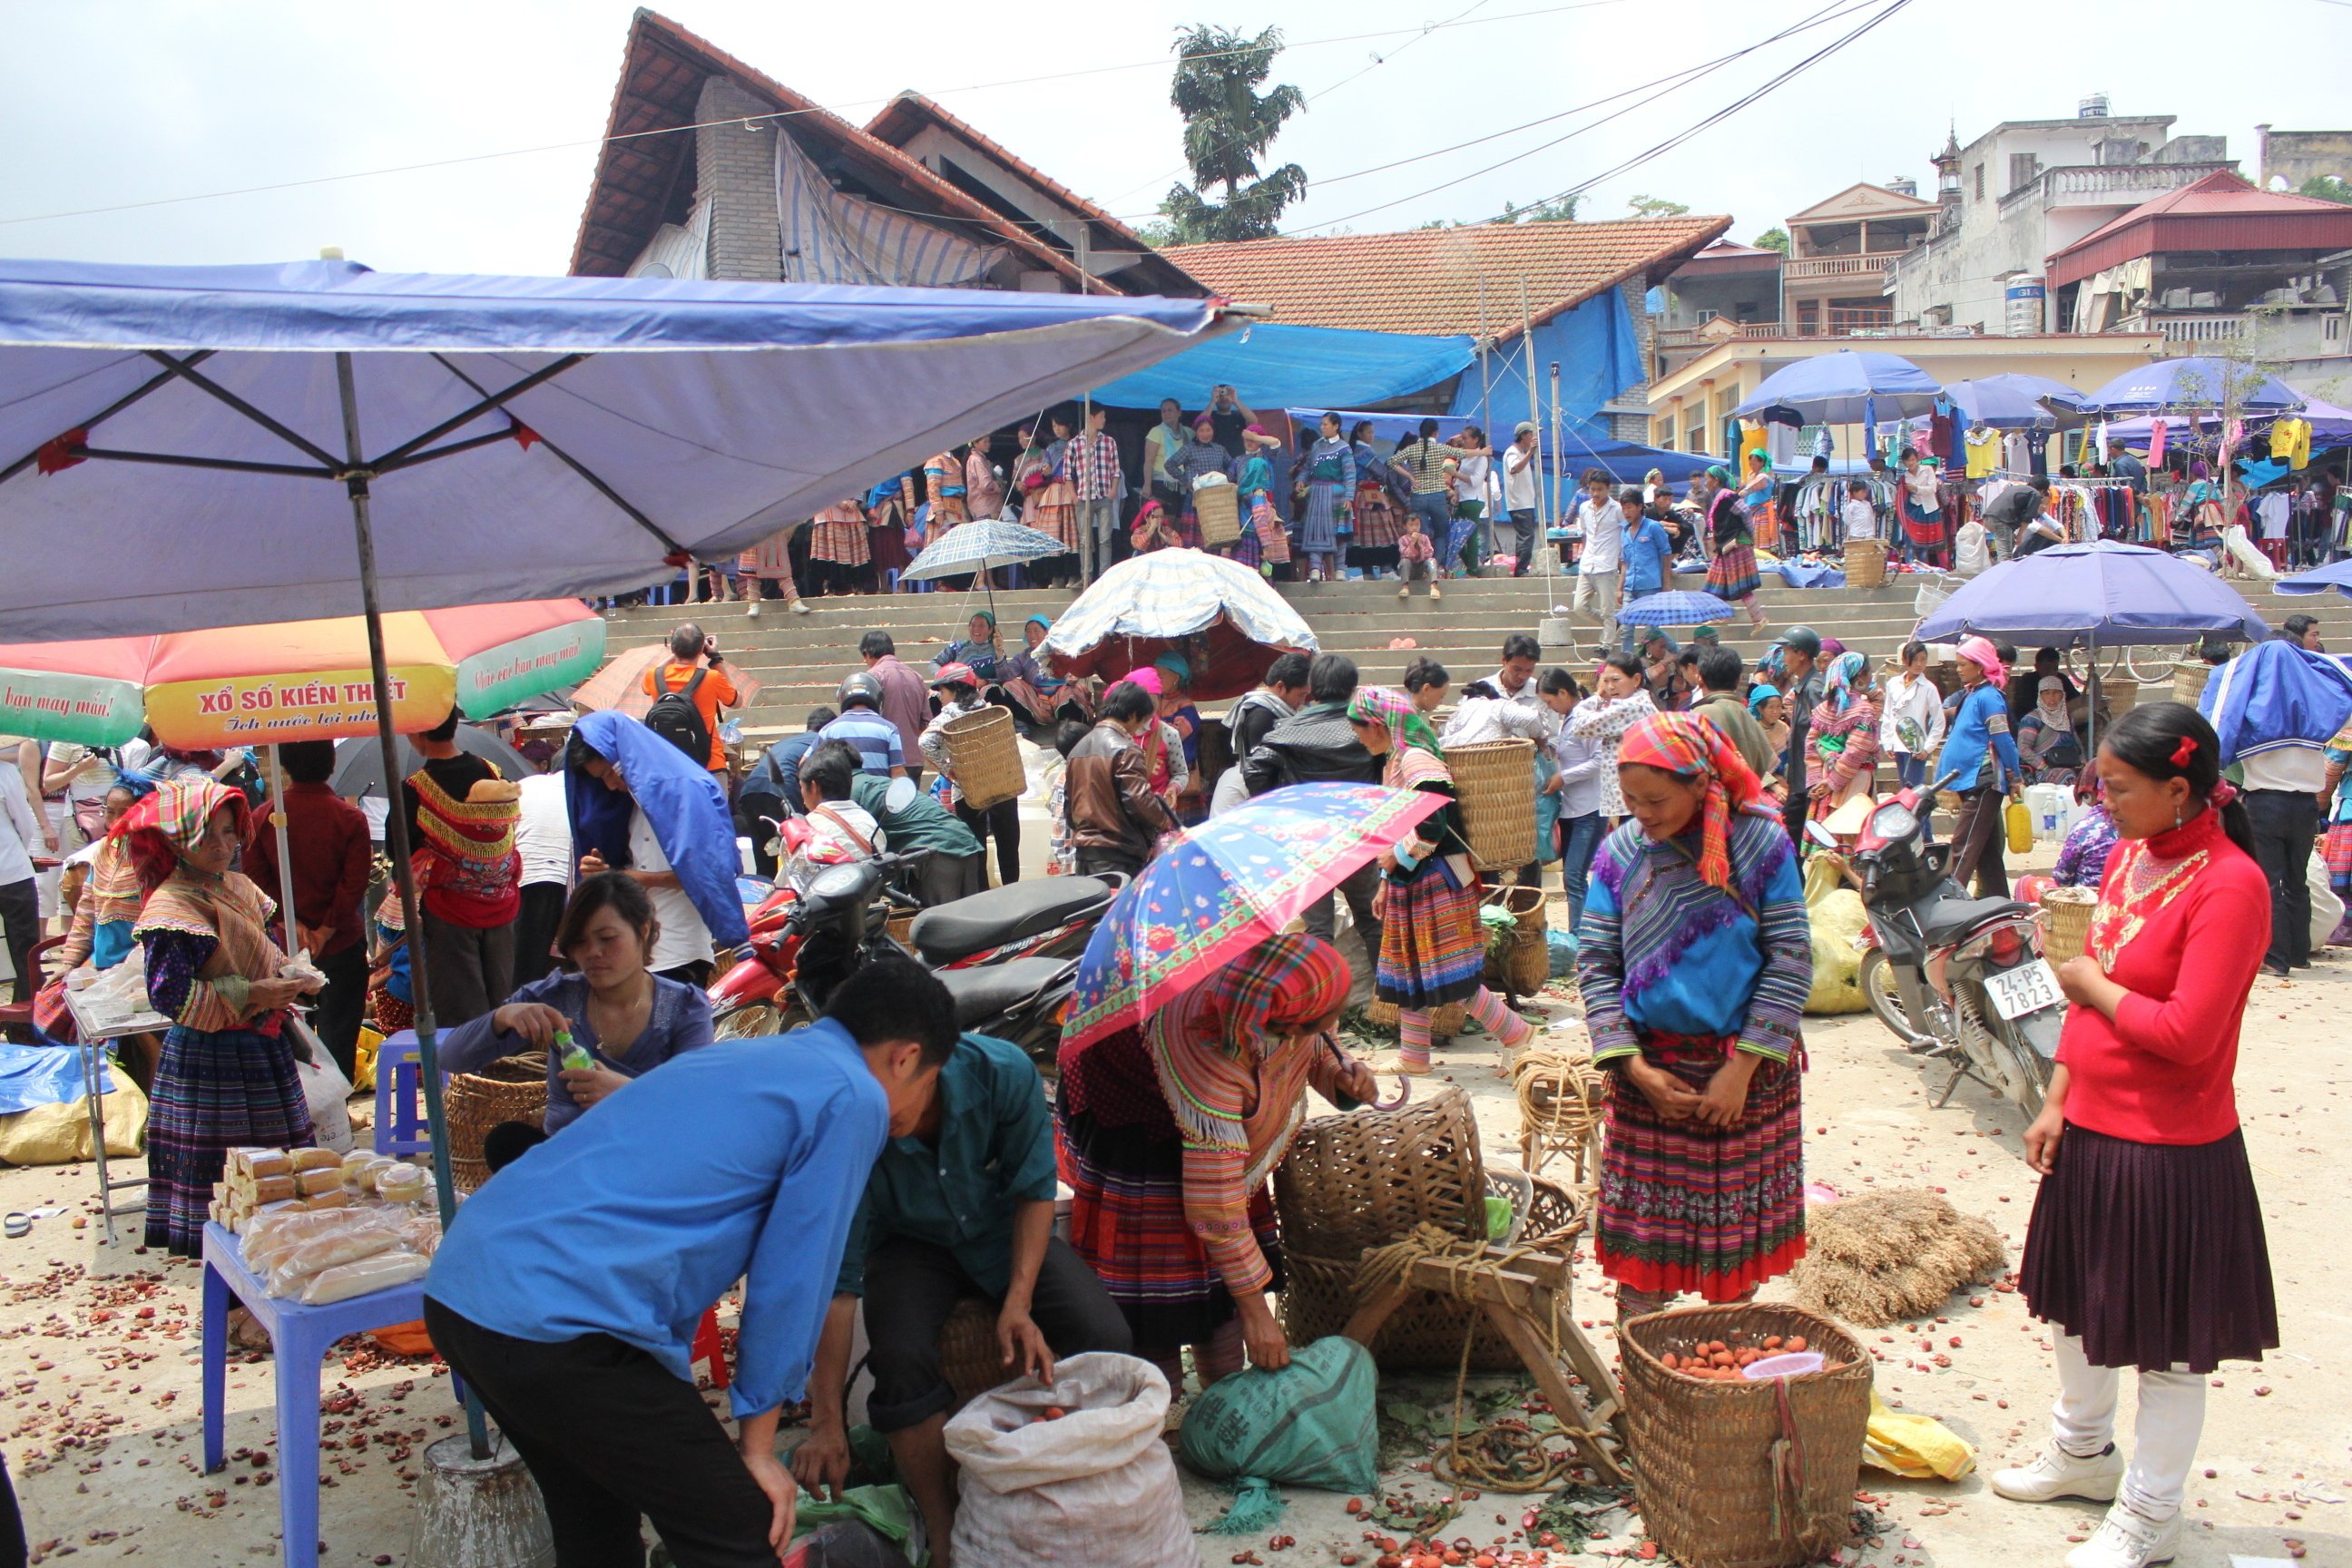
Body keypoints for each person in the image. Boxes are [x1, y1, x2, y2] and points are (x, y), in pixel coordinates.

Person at [424, 957, 956, 1568]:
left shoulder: (743, 1057)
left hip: (465, 1288)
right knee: (743, 1529)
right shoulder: (852, 1095)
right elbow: (794, 1277)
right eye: (930, 1081)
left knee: (595, 1521)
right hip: (557, 1323)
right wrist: (758, 1444)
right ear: (908, 1057)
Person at [1998, 704, 2277, 1568]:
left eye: (2117, 788)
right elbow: (2088, 1004)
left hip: (2171, 1147)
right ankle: (2081, 1454)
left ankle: (2152, 1513)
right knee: (2076, 1310)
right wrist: (2056, 1096)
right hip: (2092, 1126)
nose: (2102, 803)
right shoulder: (2125, 857)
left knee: (2165, 1347)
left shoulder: (2231, 884)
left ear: (2180, 789)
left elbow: (2189, 1031)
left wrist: (2089, 982)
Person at [798, 1024, 1132, 1563]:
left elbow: (1034, 1190)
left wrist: (1018, 1302)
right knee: (900, 1363)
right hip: (908, 1242)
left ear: (915, 1062)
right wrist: (826, 1420)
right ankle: (941, 1517)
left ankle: (1081, 1487)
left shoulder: (1003, 1073)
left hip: (1004, 1232)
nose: (876, 1116)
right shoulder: (851, 1123)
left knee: (1107, 1338)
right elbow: (839, 1285)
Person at [1055, 934, 1376, 1387]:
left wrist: (1343, 1082)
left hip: (1202, 1108)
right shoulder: (1212, 1054)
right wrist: (1258, 1315)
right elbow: (1214, 1206)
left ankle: (1221, 1393)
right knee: (1161, 1295)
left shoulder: (1270, 987)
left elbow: (1312, 1046)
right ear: (1279, 1025)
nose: (1332, 1026)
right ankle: (1157, 1404)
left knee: (1216, 1283)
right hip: (1133, 1119)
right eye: (1324, 1020)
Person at [1579, 712, 1811, 1327]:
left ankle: (1721, 1386)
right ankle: (1647, 1381)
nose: (1642, 813)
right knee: (1641, 1260)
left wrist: (1741, 1070)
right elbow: (1597, 964)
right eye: (1629, 799)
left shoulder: (1762, 845)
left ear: (1701, 782)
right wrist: (1632, 1067)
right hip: (1650, 1077)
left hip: (1748, 1075)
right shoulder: (1619, 853)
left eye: (1655, 799)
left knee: (1732, 1256)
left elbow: (1790, 957)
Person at [131, 779, 323, 1256]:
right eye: (207, 835)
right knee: (223, 1168)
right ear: (176, 840)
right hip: (209, 1055)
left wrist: (297, 976)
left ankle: (277, 1245)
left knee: (274, 1166)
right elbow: (169, 995)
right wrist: (254, 993)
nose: (222, 845)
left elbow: (265, 954)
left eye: (228, 832)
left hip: (263, 1045)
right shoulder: (171, 906)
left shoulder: (239, 886)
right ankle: (226, 1267)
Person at [441, 871, 716, 1171]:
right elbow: (451, 1057)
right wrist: (502, 1017)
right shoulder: (557, 996)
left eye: (608, 939)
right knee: (507, 1142)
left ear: (643, 930)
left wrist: (630, 1094)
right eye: (580, 942)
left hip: (650, 1161)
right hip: (569, 1163)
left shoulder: (683, 1007)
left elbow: (697, 1104)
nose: (593, 953)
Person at [1348, 688, 1537, 1073]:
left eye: (1360, 730)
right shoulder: (1395, 761)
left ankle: (1519, 1036)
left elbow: (1432, 827)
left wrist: (1394, 859)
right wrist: (1387, 878)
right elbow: (1399, 829)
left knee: (1451, 975)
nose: (1359, 738)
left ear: (1380, 725)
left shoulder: (1417, 760)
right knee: (1408, 970)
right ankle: (1415, 1057)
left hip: (1439, 880)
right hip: (1411, 880)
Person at [566, 712, 750, 989]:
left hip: (680, 947)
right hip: (638, 946)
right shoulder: (628, 804)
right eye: (600, 779)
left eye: (608, 773)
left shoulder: (686, 792)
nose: (610, 786)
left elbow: (711, 873)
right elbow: (633, 866)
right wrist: (605, 871)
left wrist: (644, 880)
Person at [1242, 654, 1385, 969]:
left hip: (1306, 843)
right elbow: (1385, 772)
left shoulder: (1286, 731)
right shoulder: (1367, 731)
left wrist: (1279, 809)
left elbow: (1254, 772)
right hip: (1357, 838)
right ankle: (1386, 1005)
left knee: (1319, 930)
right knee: (1373, 922)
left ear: (1312, 689)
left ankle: (1324, 1011)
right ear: (1352, 689)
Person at [244, 740, 371, 1080]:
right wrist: (325, 930)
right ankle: (337, 1123)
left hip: (283, 948)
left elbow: (255, 879)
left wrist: (289, 920)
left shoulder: (262, 818)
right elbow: (353, 884)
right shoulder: (350, 818)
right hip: (341, 944)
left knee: (290, 1037)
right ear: (332, 763)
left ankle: (298, 1118)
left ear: (284, 765)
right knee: (340, 1035)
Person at [401, 708, 519, 1027]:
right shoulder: (492, 771)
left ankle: (469, 1077)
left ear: (419, 732)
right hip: (502, 908)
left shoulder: (416, 789)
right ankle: (507, 1073)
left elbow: (403, 853)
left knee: (461, 1015)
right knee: (504, 1006)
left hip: (450, 917)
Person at [1930, 636, 2024, 899]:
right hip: (1968, 779)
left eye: (1963, 665)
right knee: (1987, 852)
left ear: (1980, 666)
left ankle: (1945, 902)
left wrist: (2015, 776)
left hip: (1982, 780)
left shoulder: (1990, 698)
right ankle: (2000, 904)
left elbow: (2003, 739)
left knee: (1963, 845)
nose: (1958, 669)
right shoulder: (1972, 694)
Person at [1063, 681, 1179, 880]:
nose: (1139, 729)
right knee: (1120, 911)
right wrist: (1163, 819)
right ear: (1133, 715)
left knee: (1095, 911)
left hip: (1085, 856)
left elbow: (1069, 808)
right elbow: (1139, 802)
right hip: (1119, 856)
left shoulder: (1077, 750)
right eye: (1142, 721)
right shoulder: (1126, 750)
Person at [921, 664, 1020, 887]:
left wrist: (949, 770)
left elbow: (925, 742)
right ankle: (1012, 890)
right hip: (1002, 784)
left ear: (955, 689)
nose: (941, 698)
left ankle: (983, 897)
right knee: (1008, 845)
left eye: (943, 692)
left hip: (967, 789)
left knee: (977, 848)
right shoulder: (988, 708)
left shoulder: (948, 716)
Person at [846, 752, 985, 907]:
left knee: (940, 923)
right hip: (964, 839)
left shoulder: (849, 794)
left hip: (937, 851)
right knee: (969, 918)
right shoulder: (878, 783)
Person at [1545, 671, 1610, 932]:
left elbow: (1599, 760)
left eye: (1550, 702)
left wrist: (1564, 777)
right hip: (1571, 808)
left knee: (1574, 877)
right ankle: (1580, 934)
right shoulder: (1570, 718)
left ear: (1563, 693)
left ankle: (1580, 937)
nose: (1550, 708)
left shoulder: (1583, 719)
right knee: (1573, 878)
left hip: (1589, 809)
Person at [739, 708, 832, 878]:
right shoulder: (822, 742)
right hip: (782, 791)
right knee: (795, 849)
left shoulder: (789, 741)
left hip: (750, 789)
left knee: (763, 853)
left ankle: (766, 893)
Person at [784, 740, 882, 897]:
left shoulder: (807, 828)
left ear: (814, 787)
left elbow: (787, 886)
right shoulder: (870, 821)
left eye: (801, 787)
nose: (802, 797)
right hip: (868, 910)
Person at [641, 622, 741, 776]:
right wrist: (716, 658)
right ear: (701, 650)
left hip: (668, 765)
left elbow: (652, 677)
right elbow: (736, 701)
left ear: (673, 649)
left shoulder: (653, 676)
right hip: (709, 764)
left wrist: (677, 649)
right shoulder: (712, 678)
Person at [1568, 653, 1659, 823]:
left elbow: (1579, 726)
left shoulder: (1631, 706)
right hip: (1636, 794)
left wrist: (1597, 696)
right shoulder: (1637, 700)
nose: (1609, 687)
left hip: (1636, 796)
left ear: (1636, 679)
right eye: (1605, 681)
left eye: (1616, 680)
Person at [1214, 654, 1308, 817]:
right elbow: (1259, 774)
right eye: (1301, 695)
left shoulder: (1273, 710)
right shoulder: (1262, 716)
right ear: (1280, 687)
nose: (1302, 702)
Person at [1764, 628, 1825, 846]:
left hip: (1811, 784)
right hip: (1800, 782)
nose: (1783, 657)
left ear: (1802, 655)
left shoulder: (1814, 688)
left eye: (1787, 651)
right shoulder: (1803, 687)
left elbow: (1825, 733)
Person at [1879, 642, 1947, 838]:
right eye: (1915, 660)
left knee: (1916, 794)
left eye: (1923, 660)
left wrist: (1927, 747)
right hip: (1898, 745)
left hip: (1917, 748)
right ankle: (1916, 836)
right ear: (1905, 661)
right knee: (1906, 791)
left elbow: (1939, 720)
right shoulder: (1893, 684)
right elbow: (1888, 715)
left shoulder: (1928, 688)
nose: (1919, 664)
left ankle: (1925, 838)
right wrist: (1888, 742)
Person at [1808, 652, 1882, 818]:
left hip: (1825, 777)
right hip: (1853, 780)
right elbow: (1855, 752)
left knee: (1825, 827)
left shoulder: (1823, 709)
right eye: (1869, 671)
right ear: (1860, 678)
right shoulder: (1863, 710)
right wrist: (1833, 783)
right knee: (1849, 830)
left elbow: (1811, 744)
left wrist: (1817, 780)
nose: (1872, 675)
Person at [1691, 648, 1778, 782]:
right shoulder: (1749, 716)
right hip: (1746, 799)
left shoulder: (1701, 715)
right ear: (1738, 681)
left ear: (1700, 679)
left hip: (1715, 801)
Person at [859, 632, 933, 786]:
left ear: (868, 653)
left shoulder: (873, 677)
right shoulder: (916, 676)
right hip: (913, 760)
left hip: (883, 761)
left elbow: (865, 719)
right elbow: (926, 723)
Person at [1700, 466, 1768, 631]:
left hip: (1736, 544)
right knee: (1716, 582)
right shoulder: (1716, 497)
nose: (1705, 481)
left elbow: (1745, 513)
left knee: (1740, 585)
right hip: (1725, 545)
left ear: (1716, 480)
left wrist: (1751, 536)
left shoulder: (1727, 496)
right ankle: (1721, 615)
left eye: (1707, 477)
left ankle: (1759, 619)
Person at [1296, 412, 1354, 583]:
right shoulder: (1316, 446)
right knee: (1316, 530)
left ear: (1336, 426)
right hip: (1317, 495)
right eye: (1321, 424)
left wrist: (1349, 497)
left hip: (1337, 494)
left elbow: (1350, 474)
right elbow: (1307, 468)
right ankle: (1315, 569)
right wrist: (1301, 480)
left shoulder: (1344, 448)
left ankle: (1340, 570)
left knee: (1339, 532)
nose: (1322, 427)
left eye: (1325, 424)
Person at [819, 672, 910, 780]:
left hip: (840, 794)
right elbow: (897, 773)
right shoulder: (889, 729)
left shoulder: (828, 729)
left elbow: (806, 764)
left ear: (841, 696)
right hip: (877, 794)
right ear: (879, 698)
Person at [1572, 470, 1624, 653]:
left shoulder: (1617, 509)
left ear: (1608, 489)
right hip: (1587, 564)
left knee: (1607, 610)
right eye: (1593, 489)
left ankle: (1606, 645)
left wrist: (1621, 561)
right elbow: (1585, 534)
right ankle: (1613, 624)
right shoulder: (1584, 507)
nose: (1595, 494)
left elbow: (1625, 533)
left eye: (1600, 489)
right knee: (1579, 606)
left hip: (1607, 566)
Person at [1617, 490, 1675, 652]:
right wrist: (1620, 588)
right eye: (1624, 508)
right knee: (1626, 629)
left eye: (1630, 508)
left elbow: (1666, 554)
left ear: (1639, 507)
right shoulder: (1625, 532)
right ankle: (1627, 663)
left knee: (1652, 631)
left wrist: (1666, 584)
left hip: (1650, 586)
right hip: (1630, 587)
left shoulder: (1653, 527)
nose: (1626, 512)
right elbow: (1624, 562)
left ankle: (1676, 652)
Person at [1394, 419, 1456, 565]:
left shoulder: (1412, 449)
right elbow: (1462, 453)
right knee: (1441, 533)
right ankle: (1435, 564)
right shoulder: (1440, 448)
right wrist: (1482, 451)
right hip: (1437, 496)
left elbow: (1391, 462)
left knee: (1422, 532)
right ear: (1435, 432)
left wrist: (1410, 477)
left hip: (1418, 496)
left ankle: (1421, 564)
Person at [1347, 421, 1403, 579]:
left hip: (1360, 498)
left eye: (1373, 432)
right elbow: (1382, 473)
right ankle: (1386, 570)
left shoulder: (1353, 451)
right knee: (1383, 534)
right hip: (1370, 498)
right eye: (1369, 432)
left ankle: (1368, 572)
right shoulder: (1364, 453)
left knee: (1364, 537)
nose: (1372, 436)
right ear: (1360, 433)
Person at [2053, 775, 2119, 889]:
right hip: (2123, 898)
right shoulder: (2143, 829)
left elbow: (2062, 879)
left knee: (2027, 882)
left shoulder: (2083, 829)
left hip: (2085, 901)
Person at [2018, 677, 2087, 785]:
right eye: (2047, 693)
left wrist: (2083, 763)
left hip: (2070, 766)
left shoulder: (2067, 718)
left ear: (2063, 695)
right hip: (2040, 771)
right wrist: (2043, 766)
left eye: (2056, 693)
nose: (2051, 697)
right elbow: (2023, 749)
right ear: (2040, 696)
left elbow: (2078, 745)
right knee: (2067, 775)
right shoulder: (2032, 719)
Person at [1502, 422, 1542, 574]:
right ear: (1524, 435)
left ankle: (1521, 567)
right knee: (1527, 537)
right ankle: (1521, 569)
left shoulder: (1521, 453)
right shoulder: (1512, 452)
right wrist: (1530, 452)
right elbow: (1515, 468)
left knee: (1525, 536)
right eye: (1532, 434)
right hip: (1519, 503)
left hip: (1525, 502)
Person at [1142, 398, 1189, 520]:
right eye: (1163, 411)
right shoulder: (1156, 432)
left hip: (1182, 484)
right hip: (1161, 484)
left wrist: (1212, 402)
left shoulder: (1187, 433)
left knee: (1181, 521)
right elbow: (1148, 462)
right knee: (1167, 521)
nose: (1166, 413)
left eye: (1170, 410)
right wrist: (1147, 485)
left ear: (1179, 413)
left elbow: (1203, 425)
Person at [933, 612, 1006, 684]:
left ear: (990, 630)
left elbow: (1004, 678)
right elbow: (935, 662)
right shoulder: (959, 646)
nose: (976, 629)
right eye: (973, 625)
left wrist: (985, 682)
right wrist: (943, 676)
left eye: (981, 625)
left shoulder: (996, 651)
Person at [1396, 504, 1440, 598]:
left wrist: (1420, 545)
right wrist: (1412, 543)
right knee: (1404, 561)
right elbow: (1405, 554)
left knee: (1432, 561)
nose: (1415, 528)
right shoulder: (1402, 540)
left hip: (1421, 569)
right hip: (1409, 570)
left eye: (1417, 525)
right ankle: (1405, 587)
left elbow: (1429, 554)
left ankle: (1434, 587)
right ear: (1405, 526)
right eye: (1411, 525)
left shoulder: (1424, 538)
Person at [1840, 479, 1878, 548]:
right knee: (1858, 552)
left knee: (1869, 551)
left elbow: (1871, 517)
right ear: (1855, 493)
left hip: (1869, 533)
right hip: (1856, 534)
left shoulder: (1867, 504)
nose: (1865, 494)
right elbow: (1846, 519)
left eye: (1866, 492)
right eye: (1863, 492)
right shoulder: (1851, 506)